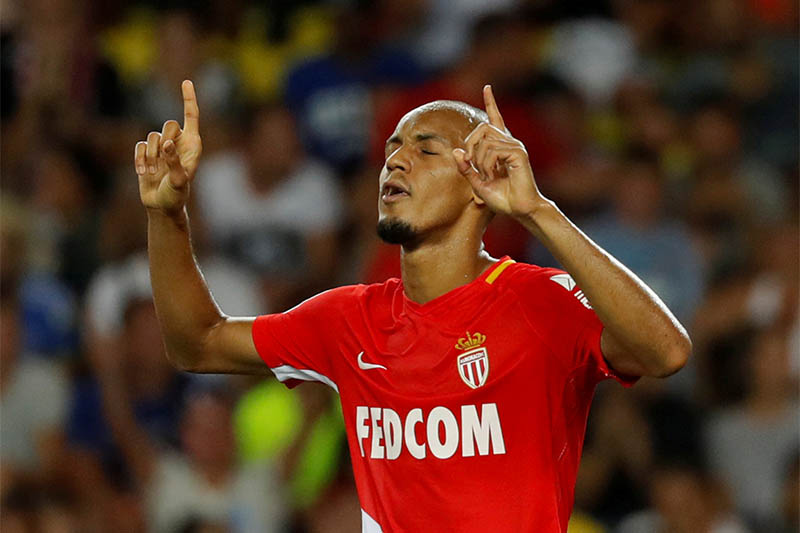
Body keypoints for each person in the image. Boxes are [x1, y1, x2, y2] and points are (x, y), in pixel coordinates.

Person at [134, 80, 691, 532]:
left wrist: (538, 211)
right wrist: (167, 216)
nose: (396, 163)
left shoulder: (539, 301)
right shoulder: (348, 319)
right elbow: (196, 343)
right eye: (391, 150)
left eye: (425, 149)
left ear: (481, 184)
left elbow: (664, 351)